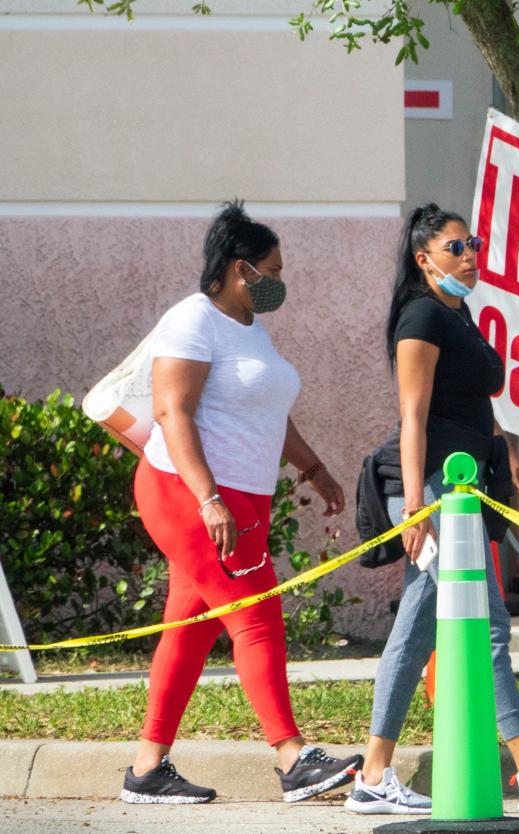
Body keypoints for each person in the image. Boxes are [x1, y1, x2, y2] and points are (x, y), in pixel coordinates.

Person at [345, 203, 519, 815]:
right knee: (473, 624)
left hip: (464, 489)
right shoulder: (421, 317)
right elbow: (413, 415)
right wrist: (415, 505)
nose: (470, 256)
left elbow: (474, 410)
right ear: (423, 259)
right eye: (455, 247)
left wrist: (514, 467)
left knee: (427, 626)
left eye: (474, 245)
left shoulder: (461, 317)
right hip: (430, 487)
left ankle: (377, 773)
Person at [122, 201, 361, 804]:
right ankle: (292, 757)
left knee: (190, 629)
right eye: (272, 270)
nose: (281, 281)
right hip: (188, 493)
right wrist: (208, 498)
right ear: (240, 269)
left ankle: (147, 769)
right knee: (256, 617)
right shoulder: (192, 321)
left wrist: (314, 468)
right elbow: (172, 411)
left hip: (241, 499)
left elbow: (267, 410)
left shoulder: (250, 325)